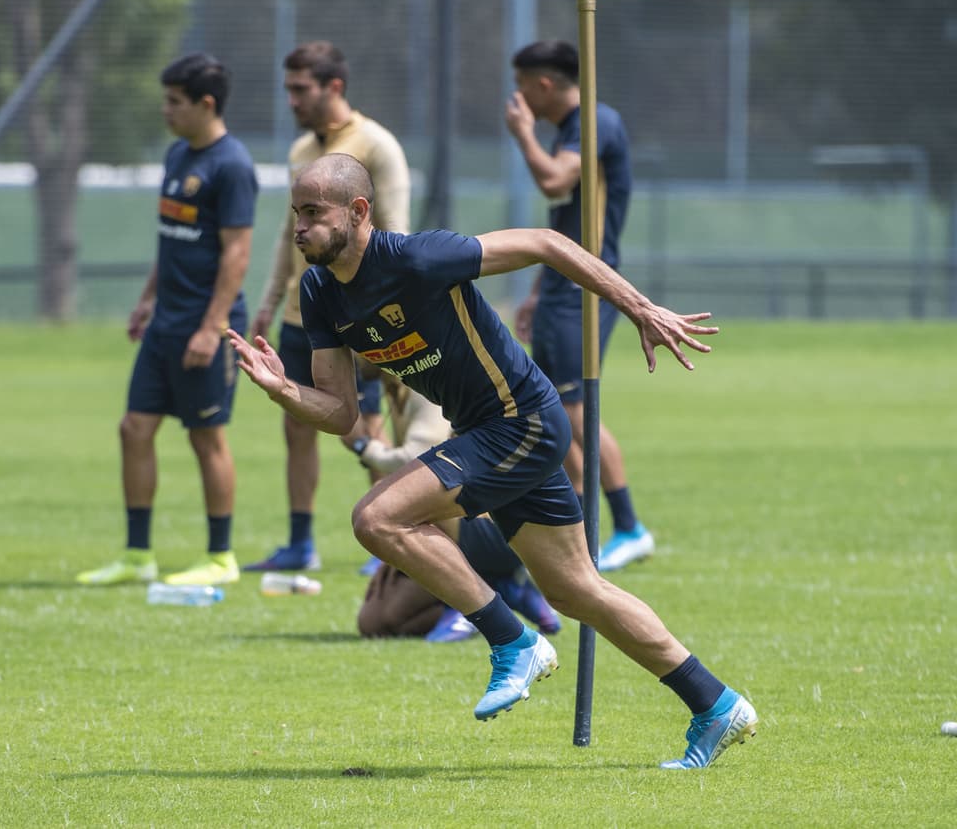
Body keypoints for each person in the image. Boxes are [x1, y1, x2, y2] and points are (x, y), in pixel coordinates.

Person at [228, 153, 757, 770]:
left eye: (313, 214)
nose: (298, 228)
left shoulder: (419, 258)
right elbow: (342, 412)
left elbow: (546, 242)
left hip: (521, 421)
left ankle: (511, 640)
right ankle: (716, 704)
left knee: (376, 519)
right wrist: (284, 390)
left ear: (358, 211)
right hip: (488, 432)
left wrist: (640, 307)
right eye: (295, 214)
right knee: (577, 590)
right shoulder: (319, 290)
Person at [76, 53, 257, 588]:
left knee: (206, 437)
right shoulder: (178, 154)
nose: (165, 110)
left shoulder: (232, 165)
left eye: (175, 102)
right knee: (133, 429)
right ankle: (138, 556)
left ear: (207, 104)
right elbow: (173, 239)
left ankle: (220, 557)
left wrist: (211, 328)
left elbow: (237, 254)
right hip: (165, 323)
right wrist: (147, 299)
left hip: (205, 326)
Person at [244, 41, 411, 574]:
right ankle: (300, 544)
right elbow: (286, 233)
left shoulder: (376, 145)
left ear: (333, 87)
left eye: (301, 89)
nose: (291, 100)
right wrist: (270, 299)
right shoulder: (300, 150)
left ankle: (392, 540)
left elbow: (395, 234)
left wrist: (378, 312)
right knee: (296, 421)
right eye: (288, 89)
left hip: (356, 314)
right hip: (302, 313)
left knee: (366, 424)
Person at [503, 40, 651, 572]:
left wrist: (522, 134)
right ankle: (574, 536)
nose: (517, 97)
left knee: (571, 411)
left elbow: (553, 181)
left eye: (522, 85)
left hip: (585, 289)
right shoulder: (569, 130)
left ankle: (628, 527)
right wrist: (538, 290)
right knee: (549, 409)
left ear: (543, 84)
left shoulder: (595, 123)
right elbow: (566, 224)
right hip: (560, 287)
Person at [348, 368, 560, 641]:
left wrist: (364, 447)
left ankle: (467, 608)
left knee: (406, 498)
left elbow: (419, 461)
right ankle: (501, 594)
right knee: (375, 622)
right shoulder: (394, 389)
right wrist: (392, 551)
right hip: (454, 527)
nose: (352, 355)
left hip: (492, 525)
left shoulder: (424, 385)